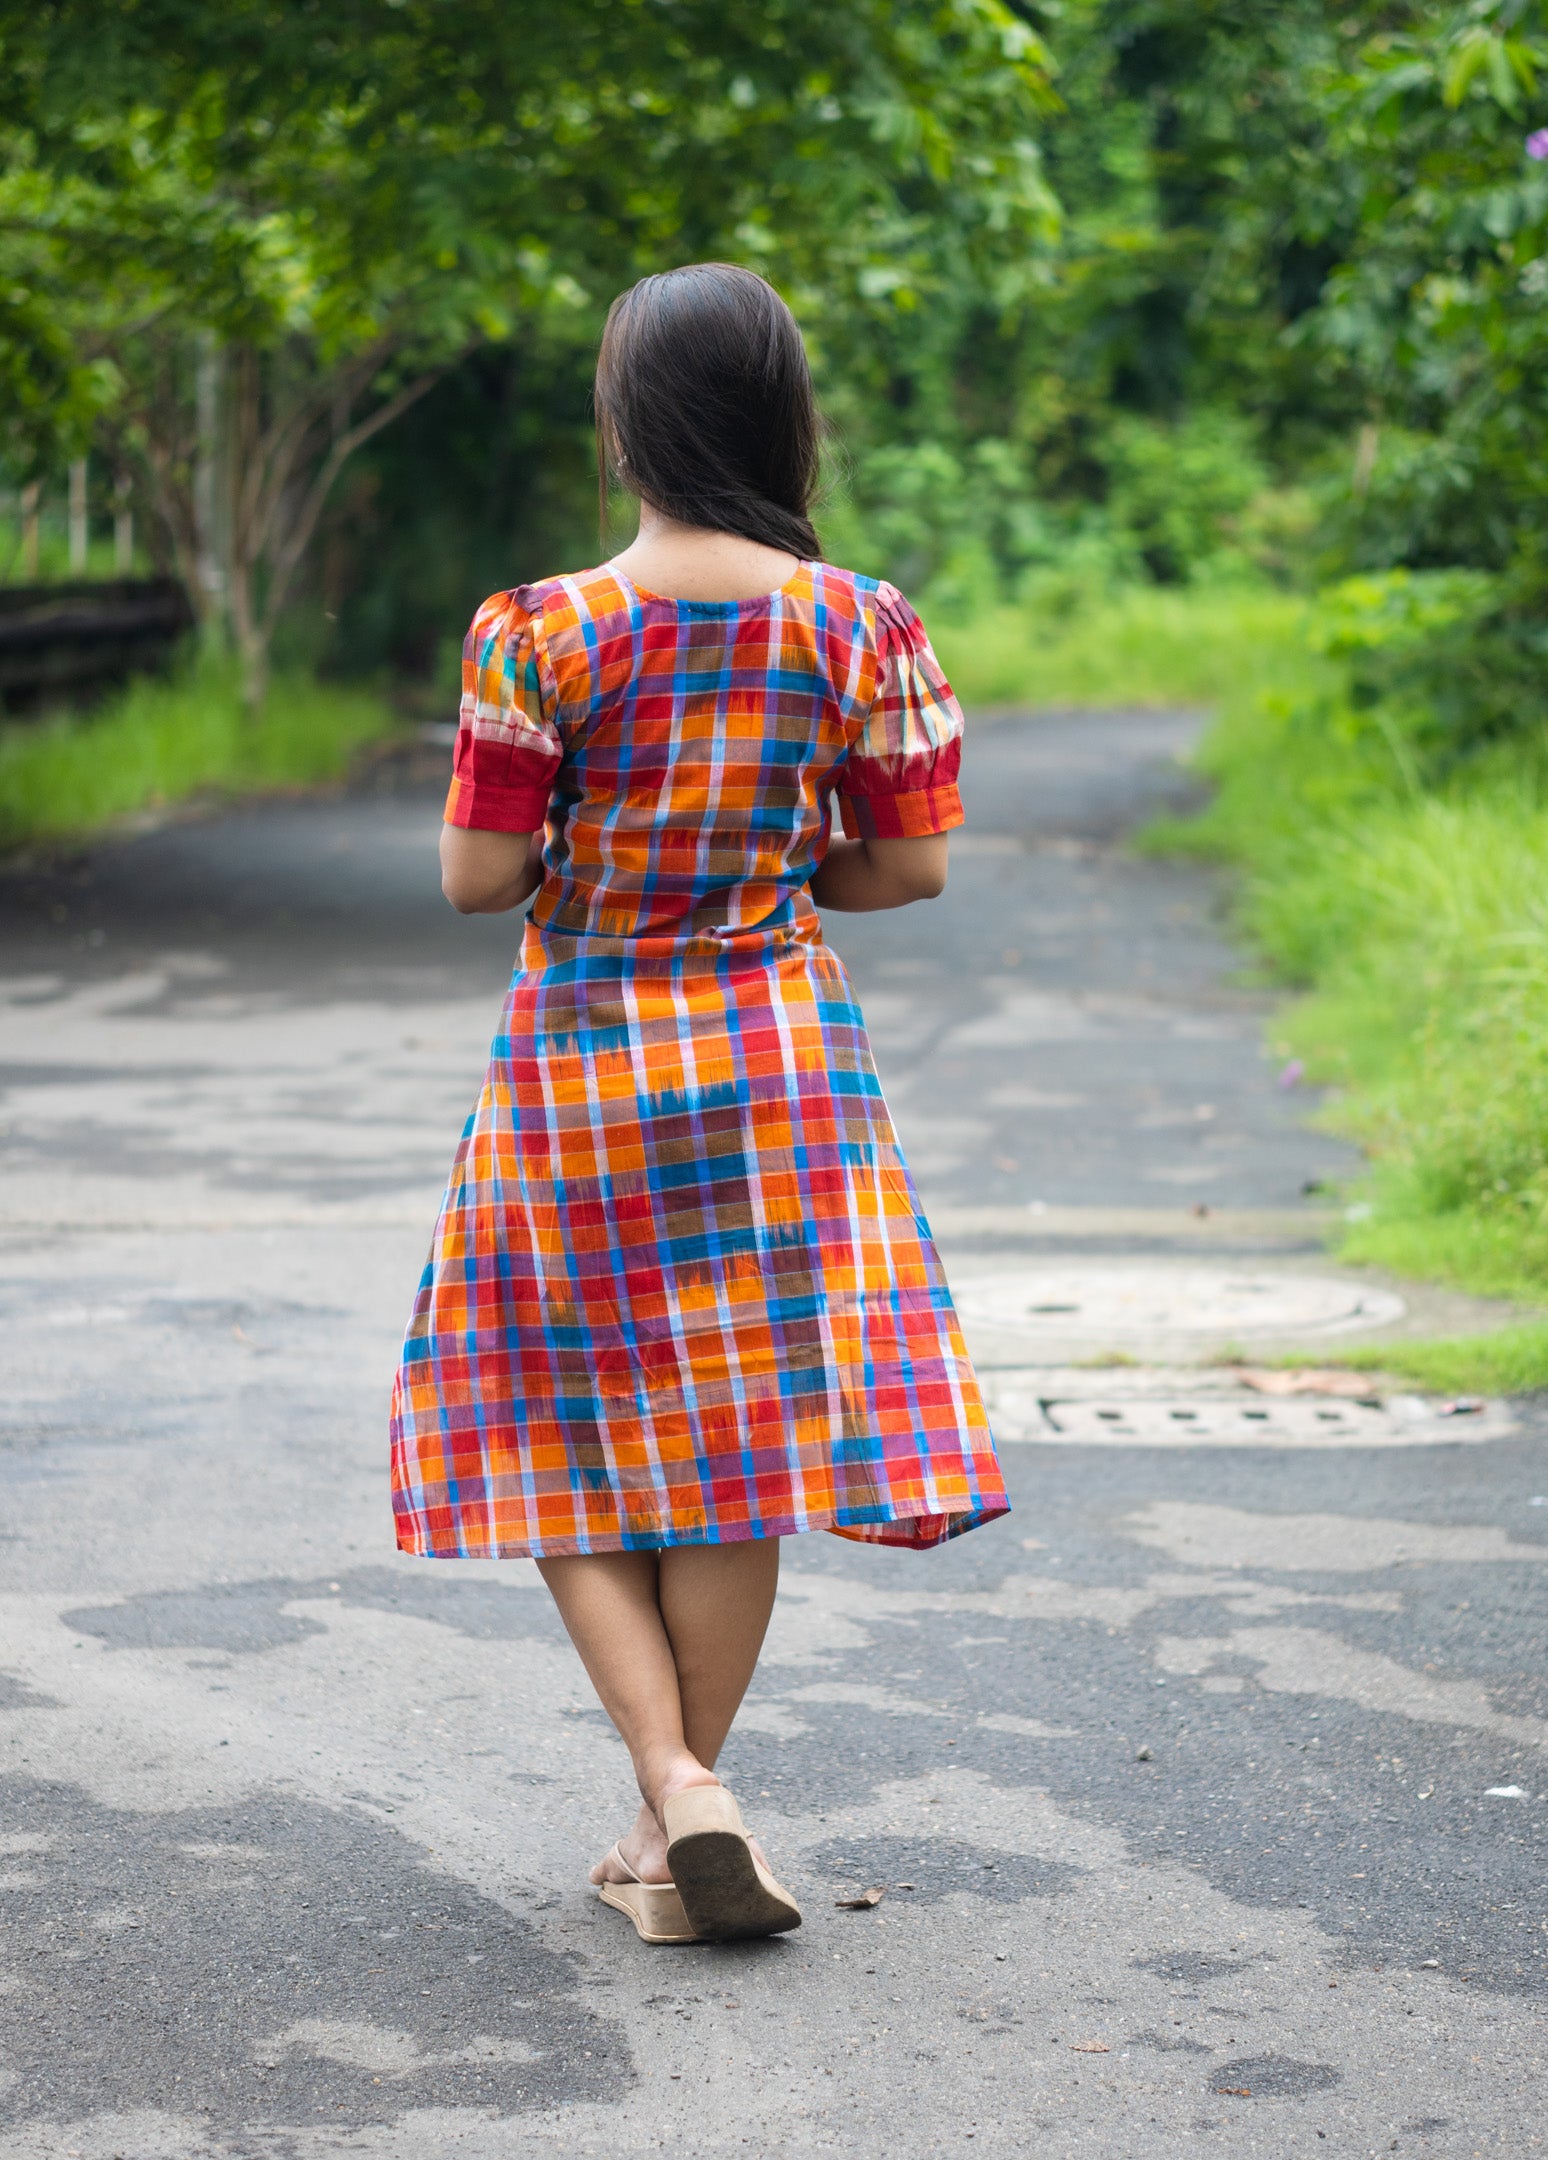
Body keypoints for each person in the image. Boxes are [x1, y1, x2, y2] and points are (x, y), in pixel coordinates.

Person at [390, 263, 1008, 1947]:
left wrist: (614, 869)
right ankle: (679, 1821)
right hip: (774, 1068)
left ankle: (672, 1786)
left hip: (584, 1067)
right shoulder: (860, 625)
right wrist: (759, 871)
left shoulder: (539, 631)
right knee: (734, 1446)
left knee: (558, 1429)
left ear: (626, 425)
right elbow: (909, 867)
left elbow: (477, 879)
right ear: (786, 422)